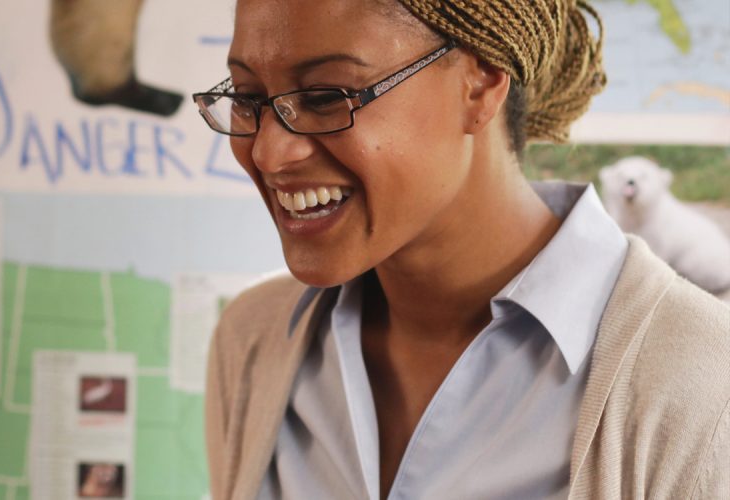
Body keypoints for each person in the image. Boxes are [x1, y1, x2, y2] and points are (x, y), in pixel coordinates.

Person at [194, 0, 730, 499]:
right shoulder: (252, 340)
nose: (268, 153)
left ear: (481, 85)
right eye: (246, 98)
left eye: (326, 96)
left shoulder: (704, 385)